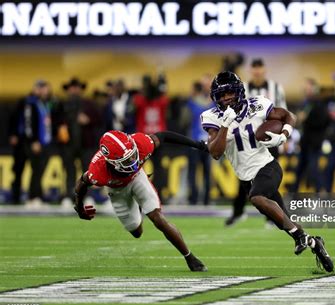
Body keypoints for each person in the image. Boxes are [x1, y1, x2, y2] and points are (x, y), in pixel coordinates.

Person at [201, 71, 333, 272]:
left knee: (257, 198)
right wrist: (225, 125)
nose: (226, 98)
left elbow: (289, 116)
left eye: (229, 92)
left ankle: (300, 237)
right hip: (247, 177)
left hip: (267, 167)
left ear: (239, 91)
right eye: (221, 94)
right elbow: (215, 152)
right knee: (285, 222)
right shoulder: (212, 117)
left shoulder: (258, 104)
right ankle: (315, 243)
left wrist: (284, 135)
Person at [73, 130, 208, 272]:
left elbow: (165, 136)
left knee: (158, 219)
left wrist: (199, 145)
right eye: (126, 161)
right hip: (117, 190)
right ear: (111, 162)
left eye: (133, 156)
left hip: (137, 177)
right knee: (136, 232)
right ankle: (136, 205)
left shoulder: (141, 143)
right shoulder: (98, 170)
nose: (133, 161)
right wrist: (79, 206)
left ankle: (190, 257)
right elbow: (81, 183)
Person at [227, 58, 288, 227]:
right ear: (251, 71)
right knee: (244, 179)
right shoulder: (243, 88)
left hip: (269, 137)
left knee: (268, 179)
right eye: (254, 69)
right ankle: (238, 212)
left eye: (260, 68)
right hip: (247, 139)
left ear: (264, 70)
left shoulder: (276, 88)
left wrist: (284, 136)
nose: (257, 72)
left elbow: (283, 112)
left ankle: (273, 217)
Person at [58, 77, 103, 207]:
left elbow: (99, 120)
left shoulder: (89, 104)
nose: (74, 90)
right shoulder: (63, 105)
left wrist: (88, 120)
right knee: (69, 171)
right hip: (68, 145)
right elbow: (56, 121)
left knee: (87, 172)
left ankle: (87, 196)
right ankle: (68, 196)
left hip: (86, 145)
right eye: (72, 87)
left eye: (77, 87)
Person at [9, 80, 54, 206]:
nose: (46, 91)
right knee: (34, 170)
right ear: (37, 89)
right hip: (33, 142)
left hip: (44, 142)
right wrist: (33, 141)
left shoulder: (44, 103)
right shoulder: (29, 103)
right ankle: (32, 197)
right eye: (44, 88)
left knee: (39, 170)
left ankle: (37, 196)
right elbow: (28, 124)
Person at [292, 78, 330, 192]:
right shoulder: (305, 103)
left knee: (313, 167)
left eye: (308, 87)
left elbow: (323, 121)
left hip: (315, 141)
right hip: (305, 141)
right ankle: (293, 193)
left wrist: (306, 118)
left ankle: (321, 191)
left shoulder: (320, 104)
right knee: (299, 169)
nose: (306, 89)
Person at [187, 75, 214, 205]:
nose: (205, 87)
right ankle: (193, 198)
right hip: (195, 141)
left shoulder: (216, 101)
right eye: (204, 84)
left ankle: (206, 199)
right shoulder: (193, 100)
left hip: (209, 142)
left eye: (208, 84)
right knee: (193, 171)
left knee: (207, 172)